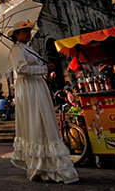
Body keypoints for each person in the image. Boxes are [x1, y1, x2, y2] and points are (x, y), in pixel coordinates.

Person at [8, 22, 79, 183]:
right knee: (37, 121)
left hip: (38, 86)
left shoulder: (29, 48)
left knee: (45, 120)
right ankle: (40, 166)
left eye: (29, 30)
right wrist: (44, 69)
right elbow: (21, 69)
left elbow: (35, 67)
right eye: (24, 31)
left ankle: (49, 164)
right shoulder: (16, 50)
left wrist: (46, 68)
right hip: (28, 89)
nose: (28, 33)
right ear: (16, 34)